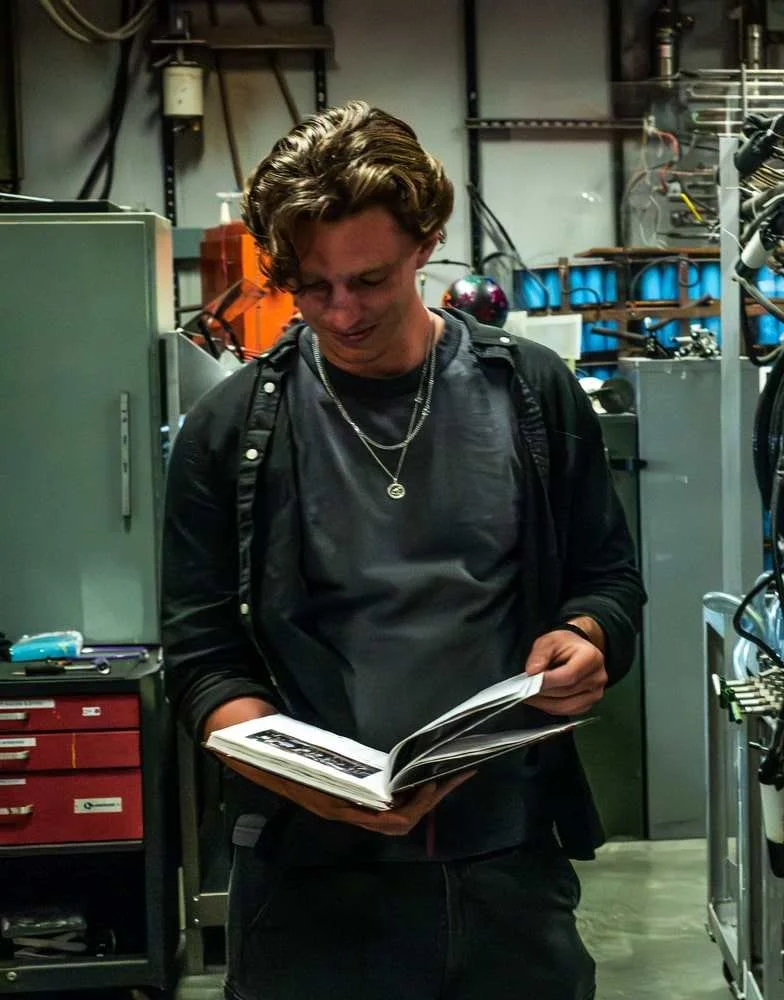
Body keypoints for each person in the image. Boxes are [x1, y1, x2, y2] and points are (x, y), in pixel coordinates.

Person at [161, 100, 645, 1000]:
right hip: (309, 883)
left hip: (507, 863)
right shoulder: (230, 433)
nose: (341, 313)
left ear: (427, 243)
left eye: (370, 281)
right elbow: (200, 661)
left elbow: (608, 578)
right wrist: (308, 782)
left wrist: (590, 635)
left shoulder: (530, 395)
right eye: (312, 287)